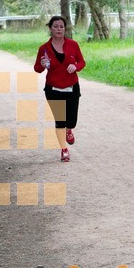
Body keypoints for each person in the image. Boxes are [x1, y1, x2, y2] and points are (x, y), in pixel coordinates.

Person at [34, 15, 85, 162]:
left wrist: (75, 66)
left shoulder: (73, 45)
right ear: (50, 28)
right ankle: (64, 149)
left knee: (71, 121)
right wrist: (42, 65)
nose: (59, 29)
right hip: (53, 89)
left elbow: (82, 62)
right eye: (55, 26)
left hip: (72, 87)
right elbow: (37, 69)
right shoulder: (43, 49)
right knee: (60, 121)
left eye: (61, 26)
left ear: (65, 29)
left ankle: (69, 130)